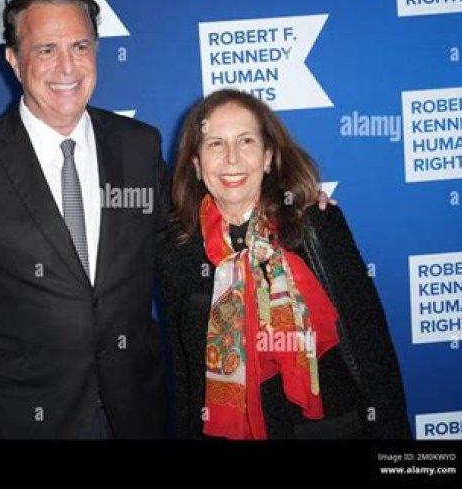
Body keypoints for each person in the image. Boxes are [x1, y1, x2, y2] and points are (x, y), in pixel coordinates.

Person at [0, 0, 169, 439]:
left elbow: (178, 254)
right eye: (46, 50)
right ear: (14, 60)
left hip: (137, 414)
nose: (67, 67)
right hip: (24, 421)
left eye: (80, 46)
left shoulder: (139, 146)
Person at [158, 89, 411, 439]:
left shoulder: (316, 225)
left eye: (246, 141)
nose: (232, 158)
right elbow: (186, 376)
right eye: (215, 144)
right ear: (197, 166)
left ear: (267, 157)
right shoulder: (177, 253)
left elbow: (372, 347)